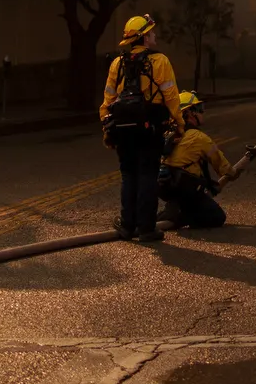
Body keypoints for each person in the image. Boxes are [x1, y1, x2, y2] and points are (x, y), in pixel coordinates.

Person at [100, 14, 182, 241]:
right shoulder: (160, 61)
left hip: (123, 129)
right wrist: (179, 124)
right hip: (150, 127)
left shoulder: (118, 63)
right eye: (152, 32)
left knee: (128, 175)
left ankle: (127, 226)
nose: (155, 35)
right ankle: (146, 228)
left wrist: (107, 129)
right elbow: (172, 97)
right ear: (144, 37)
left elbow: (108, 100)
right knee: (147, 174)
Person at [157, 92, 236, 231]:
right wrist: (233, 172)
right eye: (199, 109)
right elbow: (222, 165)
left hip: (167, 189)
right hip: (186, 191)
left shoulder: (168, 135)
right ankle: (182, 216)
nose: (202, 112)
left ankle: (172, 210)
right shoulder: (199, 138)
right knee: (217, 217)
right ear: (189, 113)